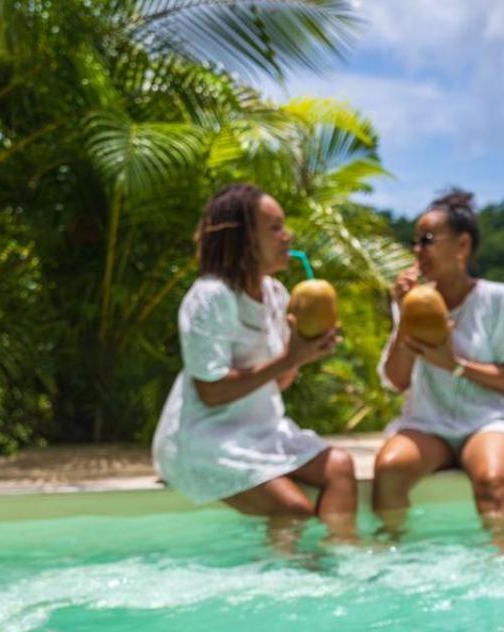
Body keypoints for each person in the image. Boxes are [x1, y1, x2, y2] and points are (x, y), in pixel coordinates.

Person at [152, 183, 358, 542]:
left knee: (340, 466)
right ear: (244, 239)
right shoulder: (211, 297)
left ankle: (342, 558)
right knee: (293, 510)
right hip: (205, 438)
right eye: (275, 227)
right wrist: (288, 358)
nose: (287, 235)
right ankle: (284, 582)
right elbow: (211, 391)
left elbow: (279, 381)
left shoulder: (276, 294)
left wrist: (302, 353)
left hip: (260, 430)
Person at [374, 189, 504, 547]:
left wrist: (453, 364)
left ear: (462, 246)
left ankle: (501, 565)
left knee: (492, 481)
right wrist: (403, 315)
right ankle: (394, 564)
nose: (417, 250)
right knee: (389, 470)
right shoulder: (412, 300)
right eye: (415, 242)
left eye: (427, 240)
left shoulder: (497, 298)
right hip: (428, 424)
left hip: (489, 420)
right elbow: (396, 381)